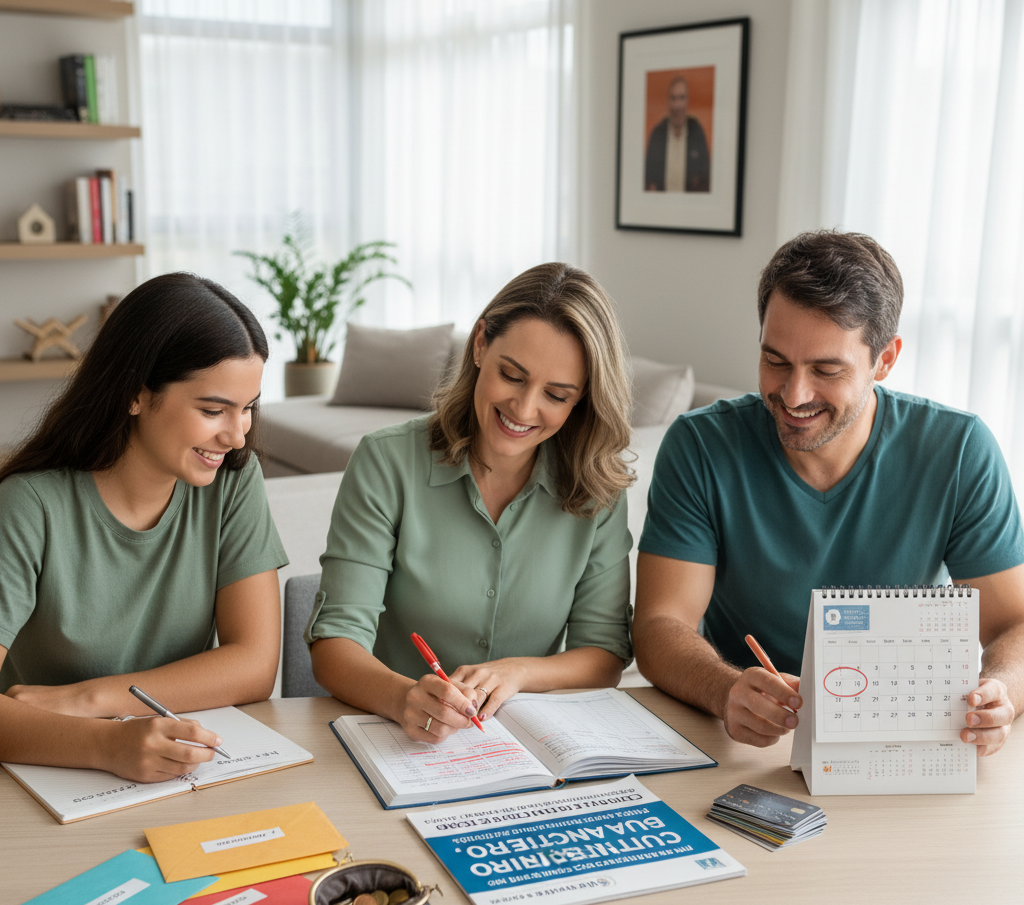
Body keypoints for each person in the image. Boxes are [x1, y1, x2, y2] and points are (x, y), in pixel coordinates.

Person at [633, 230, 1024, 756]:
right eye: (776, 360)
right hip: (743, 739)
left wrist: (1002, 691)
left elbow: (1014, 624)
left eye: (826, 370)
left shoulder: (958, 450)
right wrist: (726, 690)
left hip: (899, 739)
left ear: (884, 360)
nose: (793, 395)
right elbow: (660, 626)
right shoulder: (700, 446)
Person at [308, 262, 635, 743]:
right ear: (481, 344)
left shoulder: (597, 488)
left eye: (556, 395)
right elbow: (334, 641)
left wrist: (517, 673)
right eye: (512, 375)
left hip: (528, 748)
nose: (524, 410)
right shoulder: (387, 460)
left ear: (582, 399)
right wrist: (404, 699)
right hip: (395, 738)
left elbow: (604, 654)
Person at [0, 273, 288, 782]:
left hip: (181, 765)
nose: (237, 435)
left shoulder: (233, 481)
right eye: (213, 409)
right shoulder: (29, 504)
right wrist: (107, 743)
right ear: (134, 394)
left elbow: (255, 664)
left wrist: (88, 699)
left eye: (248, 409)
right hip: (51, 775)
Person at [645, 75, 710, 193]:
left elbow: (706, 180)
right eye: (673, 98)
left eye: (682, 98)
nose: (677, 105)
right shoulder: (657, 135)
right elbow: (647, 182)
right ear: (668, 102)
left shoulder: (697, 133)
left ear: (687, 100)